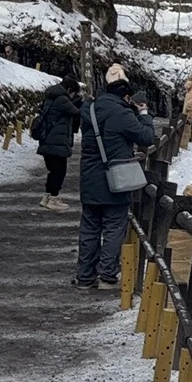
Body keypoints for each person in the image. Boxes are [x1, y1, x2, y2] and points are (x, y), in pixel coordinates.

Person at [74, 64, 154, 292]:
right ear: (126, 95)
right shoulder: (123, 114)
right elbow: (147, 137)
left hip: (89, 179)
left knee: (89, 229)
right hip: (115, 181)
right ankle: (107, 276)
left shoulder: (89, 110)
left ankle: (84, 277)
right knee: (113, 228)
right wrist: (144, 113)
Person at [31, 74, 81, 210]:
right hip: (57, 142)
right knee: (59, 171)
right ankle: (54, 198)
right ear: (70, 89)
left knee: (53, 171)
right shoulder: (62, 99)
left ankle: (47, 197)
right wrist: (80, 102)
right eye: (74, 93)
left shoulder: (51, 97)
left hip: (47, 140)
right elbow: (77, 113)